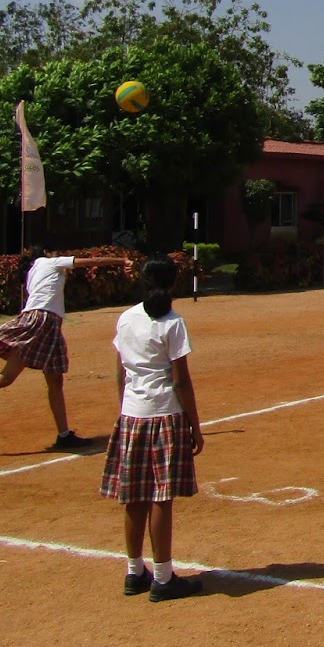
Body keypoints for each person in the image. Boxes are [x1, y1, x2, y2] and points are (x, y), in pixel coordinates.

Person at [0, 247, 132, 448]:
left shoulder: (34, 272)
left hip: (47, 324)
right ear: (46, 253)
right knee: (13, 377)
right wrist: (122, 260)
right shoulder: (49, 263)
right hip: (42, 321)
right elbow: (93, 261)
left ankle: (64, 435)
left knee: (48, 379)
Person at [100, 256, 204, 602]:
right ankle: (162, 576)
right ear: (172, 283)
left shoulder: (126, 318)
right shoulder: (172, 323)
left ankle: (134, 571)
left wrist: (124, 410)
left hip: (132, 414)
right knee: (161, 495)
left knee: (134, 495)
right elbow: (181, 381)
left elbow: (120, 373)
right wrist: (195, 425)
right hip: (164, 414)